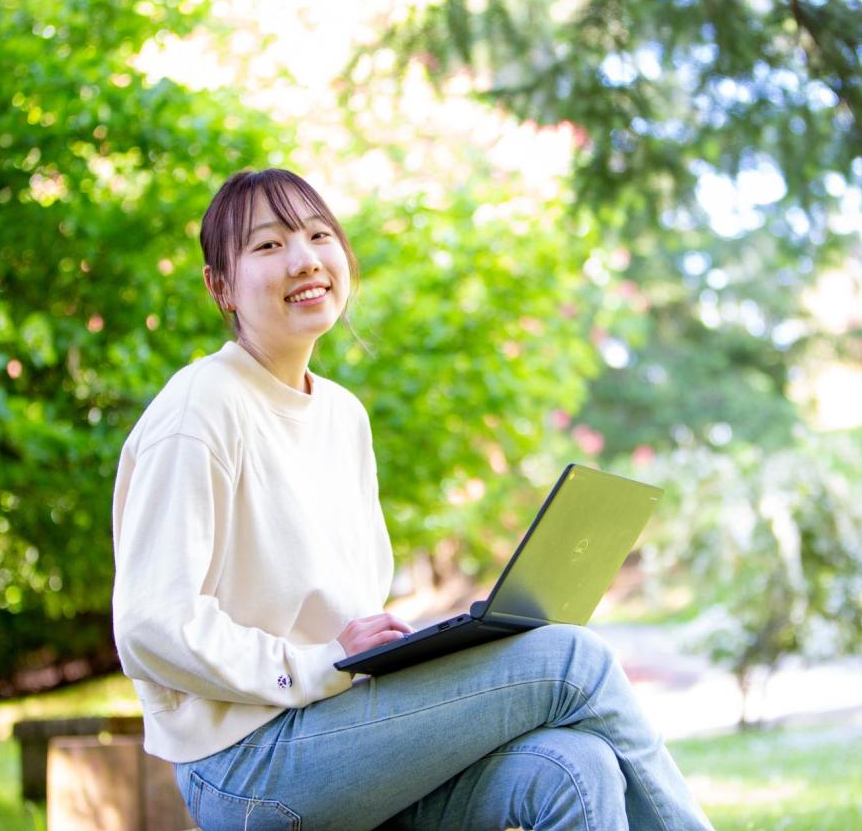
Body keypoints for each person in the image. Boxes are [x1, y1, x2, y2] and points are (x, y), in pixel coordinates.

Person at [111, 168, 713, 830]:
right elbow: (151, 625)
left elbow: (347, 620)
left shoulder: (343, 417)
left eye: (318, 235)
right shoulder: (201, 407)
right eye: (269, 246)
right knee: (577, 658)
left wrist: (420, 650)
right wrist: (313, 668)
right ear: (219, 285)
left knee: (576, 767)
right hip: (244, 768)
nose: (305, 259)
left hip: (339, 736)